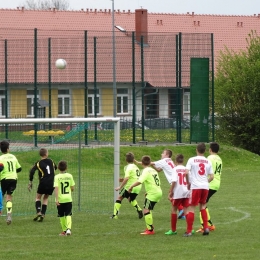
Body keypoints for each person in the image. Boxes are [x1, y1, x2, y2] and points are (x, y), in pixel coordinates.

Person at [184, 142, 214, 237]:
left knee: (191, 207)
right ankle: (206, 228)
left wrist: (189, 182)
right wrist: (206, 182)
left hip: (196, 186)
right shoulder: (208, 161)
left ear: (196, 150)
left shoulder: (192, 160)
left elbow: (186, 172)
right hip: (205, 186)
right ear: (205, 151)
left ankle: (189, 231)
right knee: (203, 206)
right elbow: (212, 176)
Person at [128, 155, 162, 235]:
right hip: (158, 191)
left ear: (142, 163)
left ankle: (150, 230)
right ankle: (150, 227)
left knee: (146, 209)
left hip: (153, 193)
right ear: (150, 163)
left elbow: (140, 181)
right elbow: (156, 181)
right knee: (147, 209)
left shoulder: (146, 171)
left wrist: (131, 186)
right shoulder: (153, 170)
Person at [149, 149, 185, 219]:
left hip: (174, 181)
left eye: (163, 153)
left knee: (171, 197)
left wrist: (138, 162)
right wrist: (152, 165)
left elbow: (149, 162)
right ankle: (182, 214)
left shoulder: (164, 161)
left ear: (167, 155)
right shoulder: (169, 160)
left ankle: (182, 209)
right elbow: (159, 170)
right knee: (175, 197)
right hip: (179, 180)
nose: (161, 154)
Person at [196, 142, 223, 233]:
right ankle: (209, 224)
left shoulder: (209, 158)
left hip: (210, 183)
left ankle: (205, 226)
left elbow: (205, 170)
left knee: (201, 204)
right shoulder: (219, 159)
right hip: (217, 183)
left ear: (210, 149)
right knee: (204, 203)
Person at [28, 148, 57, 222]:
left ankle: (38, 212)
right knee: (46, 198)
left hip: (43, 182)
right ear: (46, 154)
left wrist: (30, 181)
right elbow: (55, 168)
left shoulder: (38, 163)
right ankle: (43, 214)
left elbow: (32, 171)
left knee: (38, 197)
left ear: (40, 155)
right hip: (52, 182)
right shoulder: (51, 161)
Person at [111, 152, 143, 219]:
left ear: (126, 160)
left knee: (119, 198)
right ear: (133, 159)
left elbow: (127, 178)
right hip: (138, 186)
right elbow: (132, 177)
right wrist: (122, 180)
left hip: (130, 186)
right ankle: (139, 210)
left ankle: (114, 215)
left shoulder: (128, 167)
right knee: (130, 199)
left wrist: (120, 186)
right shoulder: (136, 167)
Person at [165, 154, 191, 235]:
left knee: (173, 209)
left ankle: (173, 230)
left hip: (178, 192)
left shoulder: (175, 169)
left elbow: (174, 181)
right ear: (183, 161)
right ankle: (190, 229)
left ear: (175, 161)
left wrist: (171, 191)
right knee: (186, 210)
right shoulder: (186, 169)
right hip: (186, 191)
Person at [0, 140, 22, 225]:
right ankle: (9, 215)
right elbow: (19, 168)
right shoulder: (13, 157)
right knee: (9, 197)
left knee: (1, 195)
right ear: (8, 149)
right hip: (13, 179)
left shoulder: (0, 158)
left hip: (4, 179)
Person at [54, 160, 75, 236]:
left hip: (60, 199)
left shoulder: (56, 177)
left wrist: (56, 199)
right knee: (68, 214)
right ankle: (69, 229)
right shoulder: (70, 176)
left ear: (58, 168)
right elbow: (72, 188)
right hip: (68, 199)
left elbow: (56, 188)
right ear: (66, 168)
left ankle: (64, 230)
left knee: (61, 215)